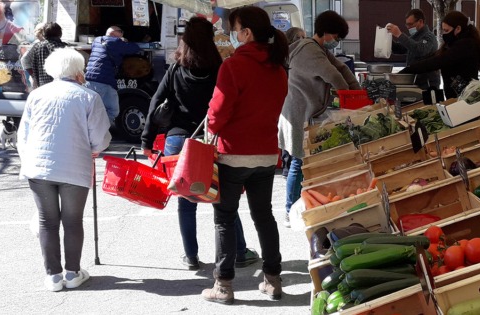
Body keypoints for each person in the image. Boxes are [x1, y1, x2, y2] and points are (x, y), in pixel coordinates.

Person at [140, 17, 260, 272]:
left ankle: (191, 256)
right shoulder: (221, 69)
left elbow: (155, 104)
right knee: (222, 197)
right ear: (210, 39)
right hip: (212, 139)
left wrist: (146, 141)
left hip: (177, 141)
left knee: (186, 200)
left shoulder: (175, 69)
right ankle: (239, 251)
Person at [202, 6, 289, 304]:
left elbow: (217, 112)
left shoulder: (234, 66)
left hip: (233, 154)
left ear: (247, 33)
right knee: (264, 216)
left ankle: (223, 286)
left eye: (236, 29)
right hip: (265, 154)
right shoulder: (277, 67)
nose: (233, 35)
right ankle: (272, 280)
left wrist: (211, 129)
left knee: (225, 218)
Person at [17, 48, 112, 292]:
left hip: (38, 167)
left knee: (47, 221)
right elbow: (100, 138)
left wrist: (27, 160)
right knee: (72, 221)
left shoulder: (36, 95)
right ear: (78, 70)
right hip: (74, 167)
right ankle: (72, 273)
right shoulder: (89, 97)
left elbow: (23, 135)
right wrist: (94, 148)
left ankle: (53, 276)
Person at [278, 11, 360, 225]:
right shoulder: (309, 50)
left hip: (305, 111)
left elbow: (341, 67)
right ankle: (289, 210)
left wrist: (358, 93)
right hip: (298, 114)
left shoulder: (318, 48)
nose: (337, 41)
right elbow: (332, 75)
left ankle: (304, 204)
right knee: (298, 161)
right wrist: (348, 96)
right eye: (336, 36)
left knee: (303, 160)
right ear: (325, 33)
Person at [399, 11, 480, 99]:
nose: (444, 34)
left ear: (458, 29)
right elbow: (433, 57)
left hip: (464, 98)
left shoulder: (466, 45)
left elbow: (437, 61)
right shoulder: (454, 43)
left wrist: (407, 70)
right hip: (455, 97)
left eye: (446, 30)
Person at [85, 26, 142, 123]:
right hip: (105, 80)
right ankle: (102, 131)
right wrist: (124, 41)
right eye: (121, 31)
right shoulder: (116, 42)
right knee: (113, 110)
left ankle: (90, 131)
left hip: (89, 80)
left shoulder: (97, 40)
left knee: (90, 110)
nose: (122, 34)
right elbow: (135, 48)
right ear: (114, 33)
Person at [385, 9, 440, 89]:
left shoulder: (429, 37)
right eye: (407, 25)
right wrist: (388, 39)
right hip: (414, 80)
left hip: (428, 83)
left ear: (420, 22)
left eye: (410, 24)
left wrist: (400, 35)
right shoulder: (414, 37)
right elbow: (400, 49)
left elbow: (420, 50)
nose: (408, 27)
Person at [21, 22, 66, 89]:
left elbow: (26, 60)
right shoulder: (64, 47)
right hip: (59, 85)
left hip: (42, 85)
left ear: (44, 33)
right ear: (60, 34)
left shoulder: (38, 46)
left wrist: (34, 77)